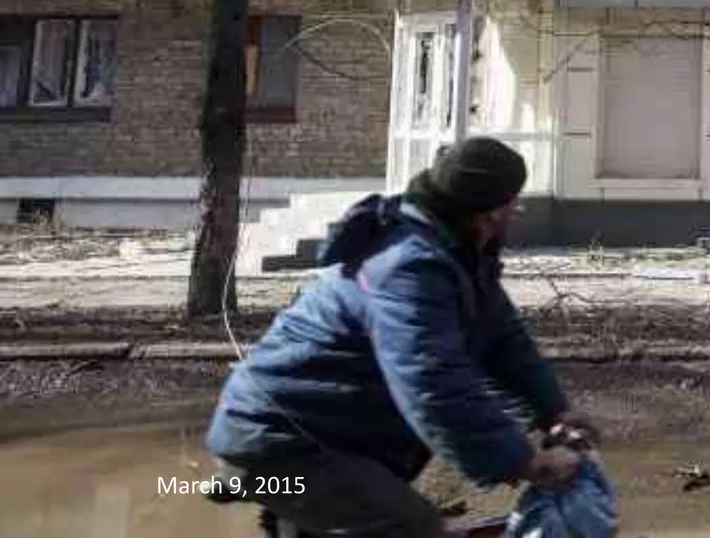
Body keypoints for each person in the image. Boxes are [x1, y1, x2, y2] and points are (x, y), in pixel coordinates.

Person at [207, 136, 598, 537]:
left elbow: (503, 338)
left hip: (326, 433)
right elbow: (432, 381)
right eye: (513, 203)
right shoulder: (409, 267)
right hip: (284, 442)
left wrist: (554, 410)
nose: (516, 212)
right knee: (412, 526)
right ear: (490, 213)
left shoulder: (457, 253)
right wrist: (523, 462)